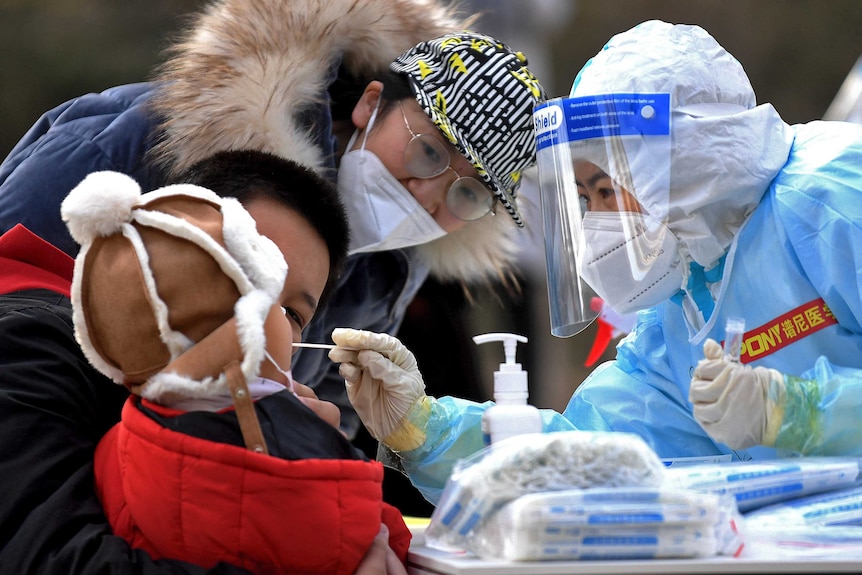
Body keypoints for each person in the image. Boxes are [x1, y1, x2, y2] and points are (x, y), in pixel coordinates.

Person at [326, 20, 862, 505]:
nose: (597, 221)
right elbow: (593, 454)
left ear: (685, 163)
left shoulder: (835, 198)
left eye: (606, 189)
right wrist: (426, 428)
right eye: (584, 198)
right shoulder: (682, 310)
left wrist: (801, 411)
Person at [0, 0, 546, 442]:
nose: (428, 196)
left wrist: (307, 433)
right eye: (427, 152)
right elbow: (13, 296)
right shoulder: (146, 139)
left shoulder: (391, 268)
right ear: (371, 103)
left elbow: (327, 413)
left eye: (469, 193)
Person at [0, 150, 407, 573]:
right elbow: (44, 559)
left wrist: (307, 469)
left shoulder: (245, 412)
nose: (263, 317)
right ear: (168, 247)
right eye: (243, 272)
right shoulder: (28, 344)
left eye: (293, 314)